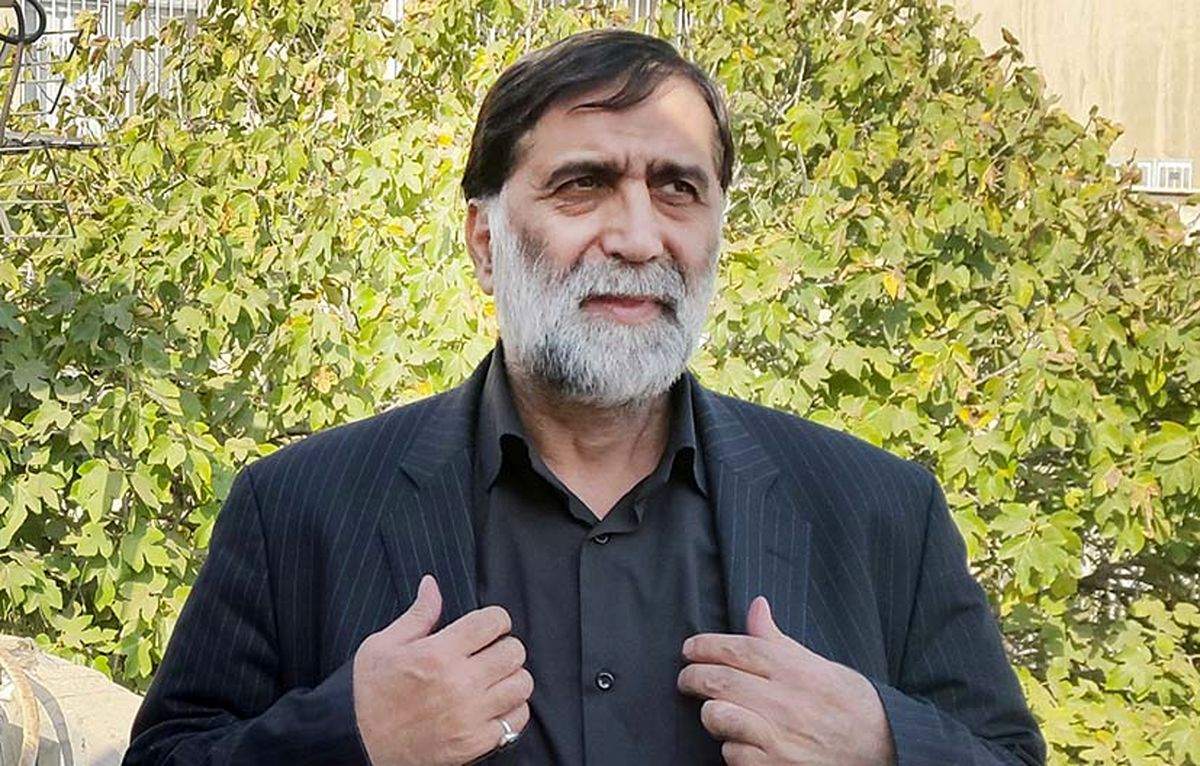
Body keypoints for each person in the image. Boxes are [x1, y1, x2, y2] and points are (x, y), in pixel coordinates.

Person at [123, 28, 1046, 766]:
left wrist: (883, 744)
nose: (638, 237)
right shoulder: (297, 508)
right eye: (584, 184)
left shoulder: (882, 512)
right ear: (485, 241)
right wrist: (347, 738)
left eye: (678, 189)